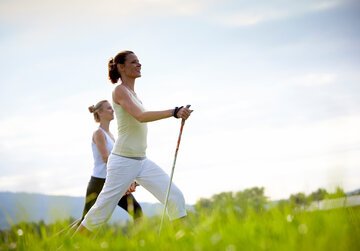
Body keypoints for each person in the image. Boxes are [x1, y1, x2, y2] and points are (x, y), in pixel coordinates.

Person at [76, 50, 192, 233]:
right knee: (99, 214)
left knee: (175, 197)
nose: (139, 65)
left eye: (139, 62)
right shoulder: (119, 90)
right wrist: (174, 111)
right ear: (121, 67)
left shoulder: (134, 94)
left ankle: (184, 243)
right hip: (123, 161)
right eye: (134, 62)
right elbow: (140, 116)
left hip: (141, 161)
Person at [80, 100, 142, 222]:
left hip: (114, 181)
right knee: (86, 221)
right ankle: (64, 241)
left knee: (137, 212)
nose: (113, 110)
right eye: (109, 108)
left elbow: (118, 159)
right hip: (99, 182)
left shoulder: (111, 135)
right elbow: (106, 158)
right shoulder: (98, 133)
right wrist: (126, 176)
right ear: (100, 113)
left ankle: (138, 241)